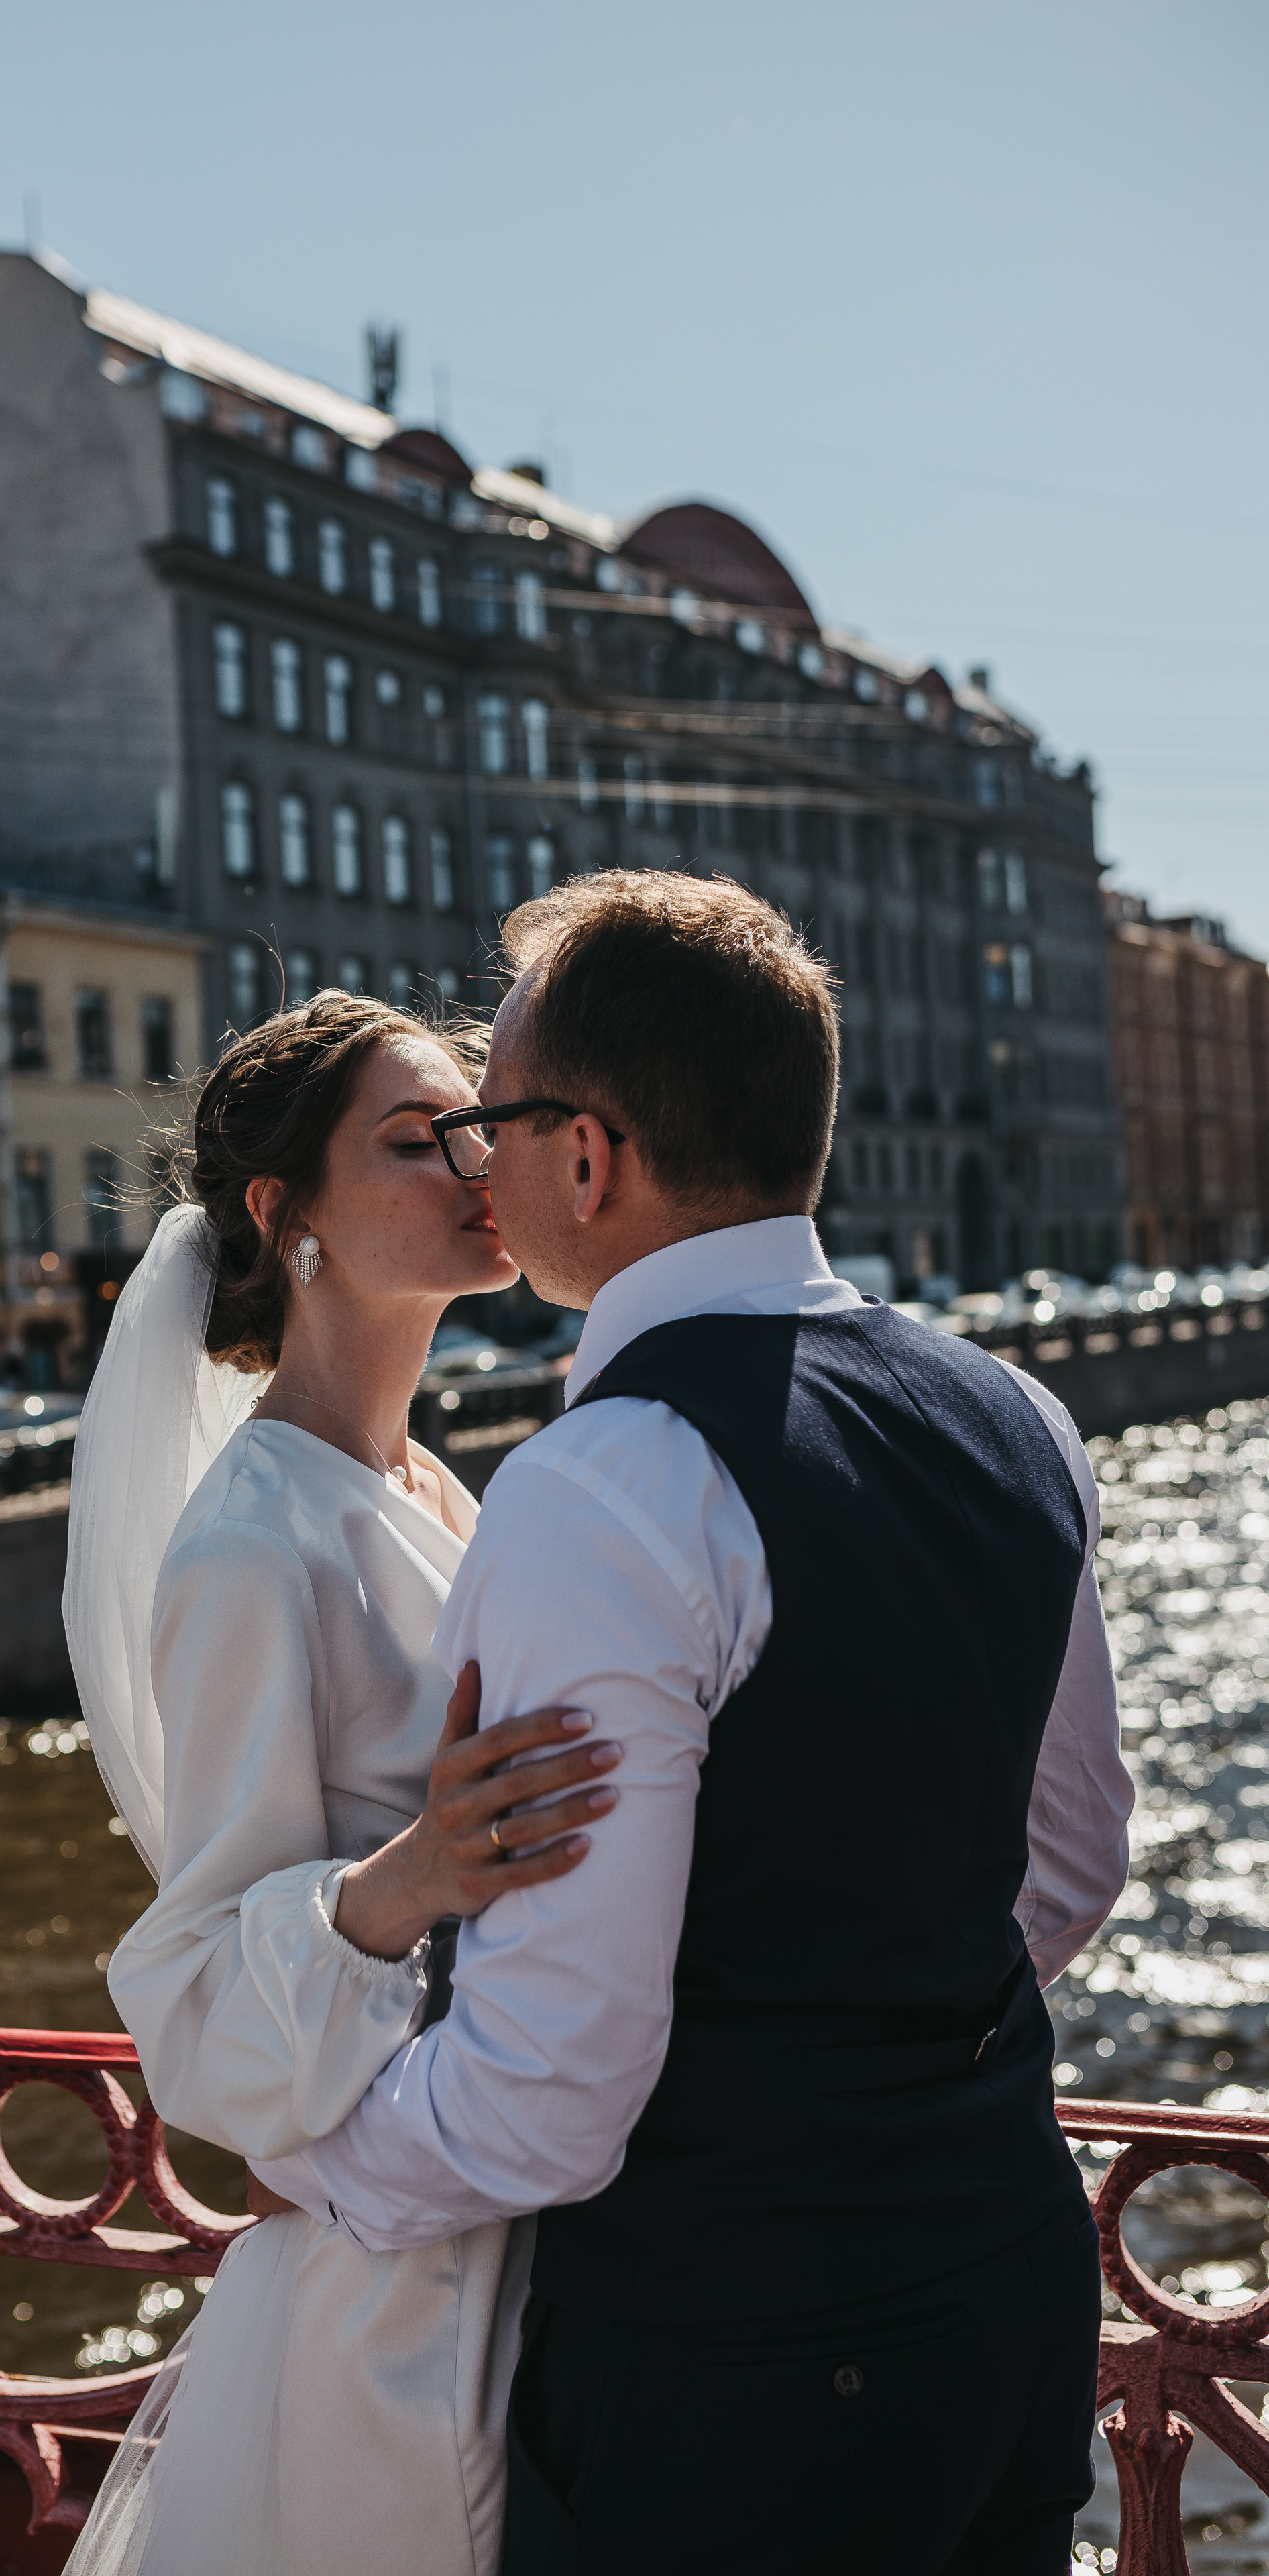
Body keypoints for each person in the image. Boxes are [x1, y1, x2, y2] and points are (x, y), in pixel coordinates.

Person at [254, 873, 1134, 2576]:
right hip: (1011, 2279)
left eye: (497, 1121)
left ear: (587, 1157)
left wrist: (315, 2159)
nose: (477, 1163)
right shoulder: (1015, 1414)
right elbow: (1073, 1863)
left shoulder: (609, 1482)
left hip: (749, 2364)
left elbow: (548, 2099)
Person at [62, 992, 621, 2576]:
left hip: (527, 2199)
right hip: (410, 2295)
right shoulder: (254, 1544)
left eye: (470, 1126)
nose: (468, 1162)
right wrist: (411, 1878)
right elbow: (189, 1987)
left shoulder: (422, 1482)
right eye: (408, 1138)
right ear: (281, 1211)